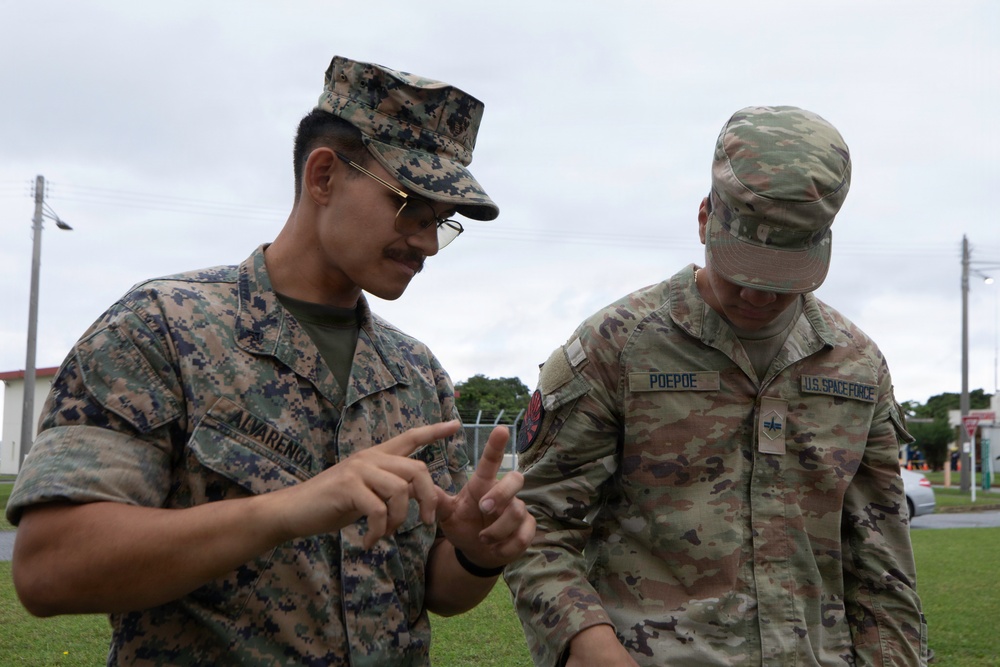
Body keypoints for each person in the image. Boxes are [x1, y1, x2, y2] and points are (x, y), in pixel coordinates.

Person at [7, 55, 535, 666]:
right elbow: (49, 569)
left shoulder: (417, 374)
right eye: (411, 208)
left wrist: (475, 553)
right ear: (324, 176)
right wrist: (287, 510)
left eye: (442, 223)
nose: (427, 243)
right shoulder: (160, 328)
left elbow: (434, 591)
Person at [504, 106, 927, 666]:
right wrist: (589, 643)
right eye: (741, 268)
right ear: (704, 218)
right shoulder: (618, 345)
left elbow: (881, 562)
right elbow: (537, 525)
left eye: (782, 277)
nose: (758, 295)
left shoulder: (857, 366)